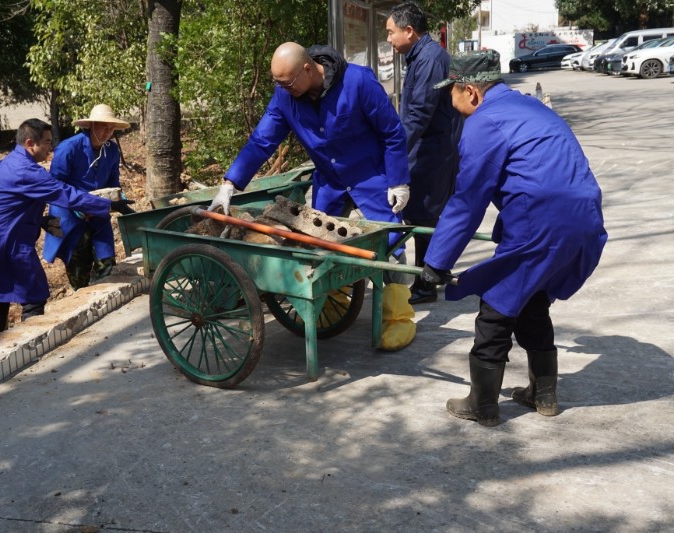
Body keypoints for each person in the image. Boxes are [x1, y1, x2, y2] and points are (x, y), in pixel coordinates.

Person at [421, 50, 607, 426]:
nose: (451, 103)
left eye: (452, 94)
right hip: (584, 216)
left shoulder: (483, 122)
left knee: (496, 308)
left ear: (470, 91)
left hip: (541, 221)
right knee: (532, 297)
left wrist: (435, 263)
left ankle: (483, 404)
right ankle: (544, 394)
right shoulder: (530, 107)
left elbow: (467, 200)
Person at [208, 41, 417, 350]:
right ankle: (329, 308)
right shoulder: (285, 96)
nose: (282, 89)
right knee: (319, 247)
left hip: (370, 178)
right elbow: (261, 140)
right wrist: (229, 184)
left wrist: (399, 181)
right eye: (277, 83)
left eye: (287, 82)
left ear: (308, 69)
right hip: (330, 183)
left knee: (389, 245)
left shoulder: (358, 81)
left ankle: (399, 319)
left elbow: (392, 132)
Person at [0, 118, 125, 339]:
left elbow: (11, 202)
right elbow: (63, 192)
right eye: (47, 142)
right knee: (35, 294)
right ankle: (29, 347)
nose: (51, 148)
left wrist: (39, 220)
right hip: (11, 241)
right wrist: (108, 205)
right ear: (31, 143)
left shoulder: (7, 163)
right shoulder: (29, 171)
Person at [386, 2, 460, 305]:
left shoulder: (429, 58)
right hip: (432, 144)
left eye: (391, 33)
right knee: (427, 214)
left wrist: (394, 153)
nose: (389, 39)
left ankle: (427, 284)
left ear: (409, 31)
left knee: (423, 214)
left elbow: (418, 113)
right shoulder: (423, 55)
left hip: (433, 148)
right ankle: (436, 272)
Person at [42, 104, 133, 290]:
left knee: (106, 261)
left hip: (99, 213)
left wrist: (119, 199)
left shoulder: (112, 151)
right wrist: (79, 207)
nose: (108, 132)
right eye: (103, 127)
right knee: (79, 269)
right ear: (91, 126)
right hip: (70, 214)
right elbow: (56, 186)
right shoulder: (69, 148)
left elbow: (113, 183)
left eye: (111, 128)